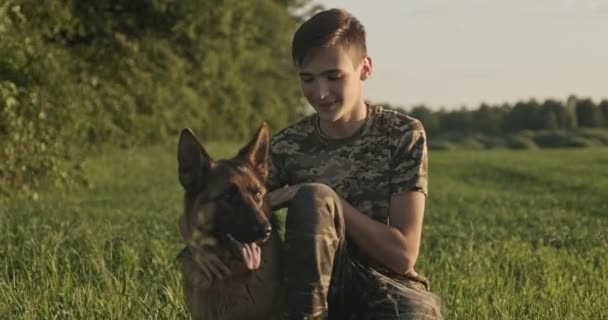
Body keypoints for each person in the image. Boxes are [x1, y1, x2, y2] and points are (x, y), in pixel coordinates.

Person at [265, 8, 443, 320]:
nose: (320, 94)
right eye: (308, 79)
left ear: (365, 68)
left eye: (334, 77)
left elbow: (402, 256)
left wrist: (322, 196)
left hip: (386, 284)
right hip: (305, 290)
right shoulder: (285, 146)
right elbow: (229, 211)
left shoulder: (402, 134)